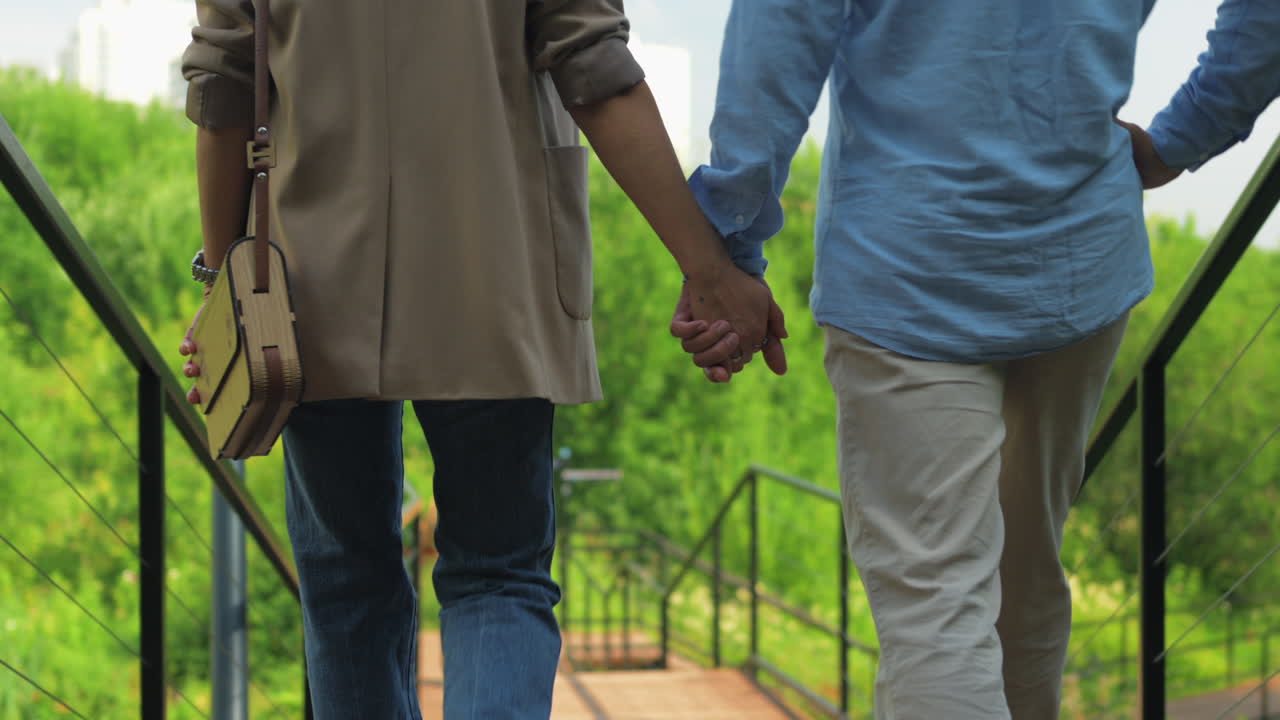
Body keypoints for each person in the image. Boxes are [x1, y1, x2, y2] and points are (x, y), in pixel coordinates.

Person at [670, 0, 1280, 718]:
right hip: (1078, 264)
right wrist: (1188, 134)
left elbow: (784, 26)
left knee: (935, 609)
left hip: (907, 267)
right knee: (1025, 579)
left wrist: (729, 245)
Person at [176, 1, 785, 718]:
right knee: (498, 576)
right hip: (497, 269)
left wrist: (223, 292)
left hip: (310, 285)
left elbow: (223, 84)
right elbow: (592, 64)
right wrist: (709, 268)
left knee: (345, 583)